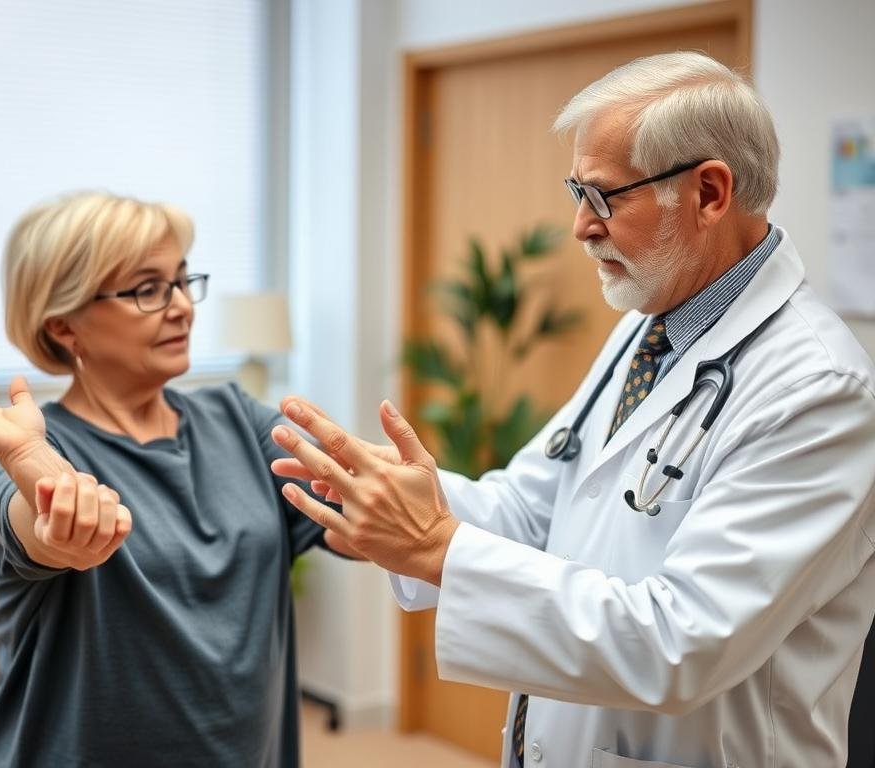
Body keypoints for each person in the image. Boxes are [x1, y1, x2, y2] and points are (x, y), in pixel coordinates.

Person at [270, 51, 875, 767]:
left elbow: (681, 643)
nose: (581, 227)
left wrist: (435, 545)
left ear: (710, 193)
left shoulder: (818, 388)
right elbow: (538, 506)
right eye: (576, 192)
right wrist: (402, 501)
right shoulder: (651, 328)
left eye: (604, 196)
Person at [0, 191, 329, 767]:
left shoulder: (239, 418)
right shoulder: (14, 449)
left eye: (184, 281)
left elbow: (354, 517)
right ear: (65, 326)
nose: (183, 307)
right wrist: (42, 477)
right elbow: (41, 527)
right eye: (148, 289)